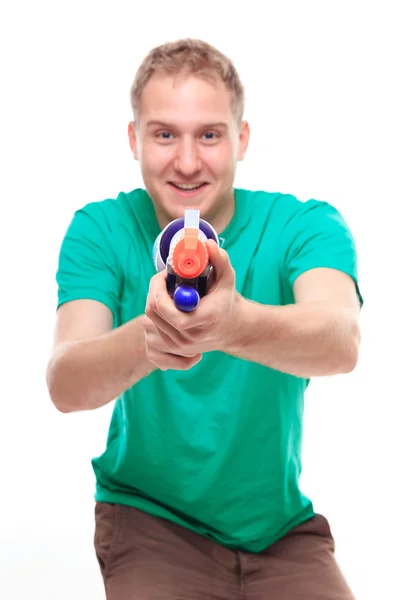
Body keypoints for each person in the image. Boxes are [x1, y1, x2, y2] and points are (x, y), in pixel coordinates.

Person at [46, 38, 363, 599]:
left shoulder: (304, 226)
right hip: (151, 521)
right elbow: (67, 383)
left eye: (209, 135)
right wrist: (150, 338)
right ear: (133, 139)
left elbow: (341, 341)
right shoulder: (99, 229)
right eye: (164, 133)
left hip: (281, 531)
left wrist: (237, 325)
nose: (187, 162)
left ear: (241, 139)